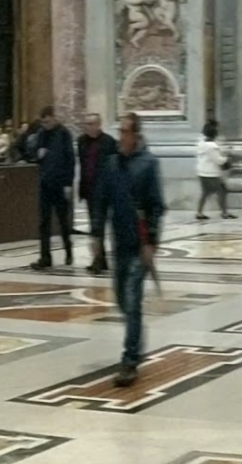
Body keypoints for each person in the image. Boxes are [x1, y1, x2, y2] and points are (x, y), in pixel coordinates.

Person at [94, 115, 164, 386]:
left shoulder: (149, 164)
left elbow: (156, 206)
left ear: (135, 135)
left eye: (124, 131)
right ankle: (136, 336)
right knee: (123, 301)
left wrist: (152, 243)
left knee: (133, 301)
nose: (120, 136)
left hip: (139, 245)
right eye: (119, 131)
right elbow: (101, 200)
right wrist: (97, 235)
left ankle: (129, 360)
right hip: (119, 244)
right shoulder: (111, 164)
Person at [28, 106, 78, 270]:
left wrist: (68, 183)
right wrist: (37, 154)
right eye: (43, 122)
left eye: (48, 121)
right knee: (44, 222)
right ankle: (45, 256)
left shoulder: (64, 134)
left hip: (60, 184)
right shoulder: (41, 134)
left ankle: (68, 251)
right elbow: (32, 152)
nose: (45, 125)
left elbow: (70, 160)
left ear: (54, 118)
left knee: (63, 221)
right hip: (45, 183)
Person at [78, 109, 120, 276]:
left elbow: (115, 168)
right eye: (86, 124)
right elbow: (82, 165)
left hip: (104, 190)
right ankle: (101, 259)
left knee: (98, 226)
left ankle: (97, 260)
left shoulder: (109, 142)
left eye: (92, 124)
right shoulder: (81, 141)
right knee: (95, 225)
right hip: (88, 188)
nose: (88, 127)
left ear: (99, 125)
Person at [192, 117, 232, 220]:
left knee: (205, 192)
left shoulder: (200, 143)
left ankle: (199, 212)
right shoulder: (212, 146)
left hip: (201, 171)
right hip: (211, 173)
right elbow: (218, 160)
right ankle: (224, 213)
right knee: (222, 190)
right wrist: (227, 156)